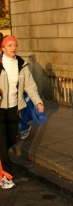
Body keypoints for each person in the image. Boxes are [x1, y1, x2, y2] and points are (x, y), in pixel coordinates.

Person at [0, 35, 44, 189]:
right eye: (10, 45)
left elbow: (30, 85)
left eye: (15, 45)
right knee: (2, 142)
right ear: (2, 48)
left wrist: (37, 101)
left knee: (11, 138)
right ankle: (6, 176)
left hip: (13, 107)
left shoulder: (21, 64)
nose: (13, 48)